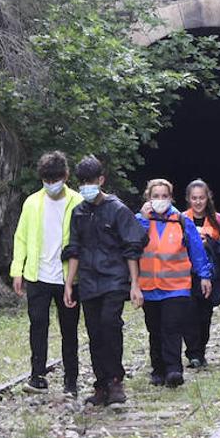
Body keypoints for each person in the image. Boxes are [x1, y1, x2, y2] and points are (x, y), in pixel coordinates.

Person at [62, 156, 147, 406]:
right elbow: (74, 249)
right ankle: (101, 384)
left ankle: (115, 382)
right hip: (88, 281)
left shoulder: (118, 210)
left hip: (114, 279)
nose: (86, 186)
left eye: (91, 181)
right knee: (94, 332)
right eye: (82, 182)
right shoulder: (79, 212)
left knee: (110, 325)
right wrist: (69, 283)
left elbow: (132, 247)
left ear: (101, 180)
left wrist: (134, 284)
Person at [10, 151, 84, 396]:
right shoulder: (32, 202)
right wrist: (17, 269)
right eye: (47, 179)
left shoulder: (77, 201)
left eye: (55, 178)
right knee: (37, 325)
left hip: (68, 278)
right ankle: (37, 375)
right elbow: (20, 237)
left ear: (65, 176)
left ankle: (70, 381)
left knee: (69, 329)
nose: (51, 184)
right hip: (37, 275)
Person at [135, 179, 212, 388]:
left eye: (164, 196)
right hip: (149, 286)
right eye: (155, 196)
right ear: (148, 198)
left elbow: (196, 249)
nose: (160, 200)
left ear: (171, 198)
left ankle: (173, 369)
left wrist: (204, 275)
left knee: (172, 327)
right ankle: (157, 369)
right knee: (155, 329)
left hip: (176, 286)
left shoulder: (181, 221)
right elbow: (133, 245)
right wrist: (143, 219)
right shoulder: (140, 220)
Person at [183, 179, 220, 368]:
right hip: (187, 273)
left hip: (210, 274)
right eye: (194, 198)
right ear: (188, 199)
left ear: (208, 197)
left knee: (204, 315)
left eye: (201, 198)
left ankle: (201, 350)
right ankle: (193, 353)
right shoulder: (181, 218)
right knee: (189, 314)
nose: (198, 202)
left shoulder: (217, 220)